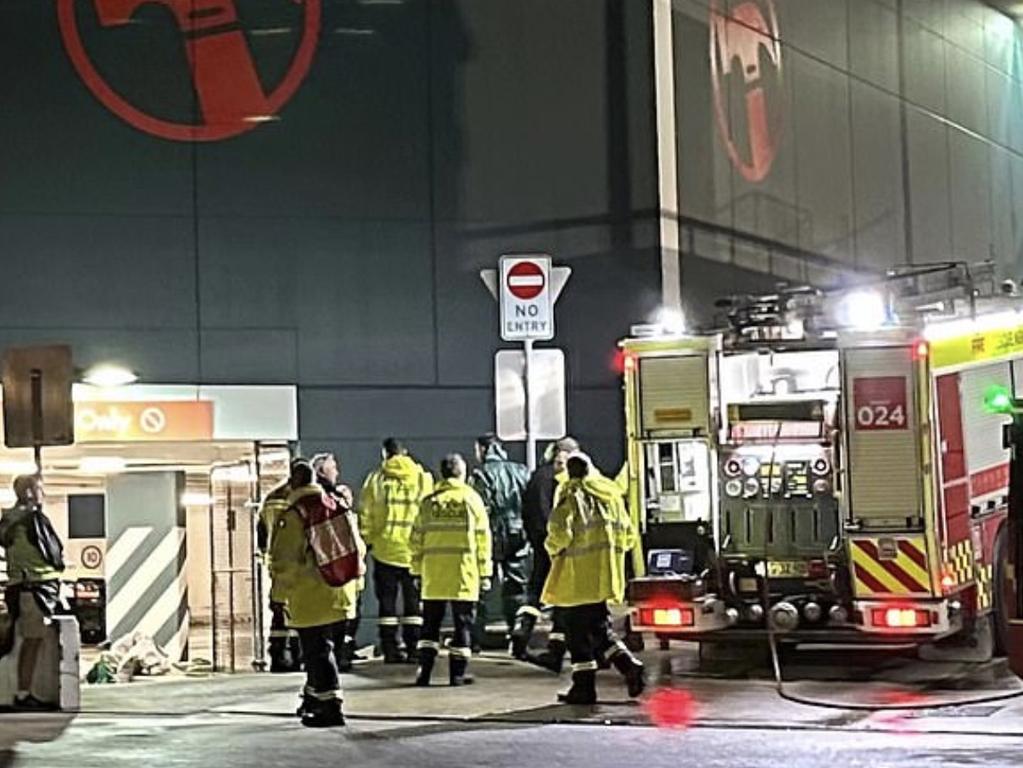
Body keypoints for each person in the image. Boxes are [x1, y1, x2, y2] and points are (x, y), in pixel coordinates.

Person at [543, 454, 645, 705]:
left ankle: (584, 688)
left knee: (576, 635)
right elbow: (628, 535)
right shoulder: (609, 495)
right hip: (604, 576)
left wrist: (551, 549)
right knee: (598, 629)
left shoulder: (570, 495)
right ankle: (628, 665)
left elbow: (559, 535)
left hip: (575, 578)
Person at [270, 459, 362, 728]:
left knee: (317, 652)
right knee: (323, 648)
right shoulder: (336, 505)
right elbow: (358, 549)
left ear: (293, 484)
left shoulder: (295, 514)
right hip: (342, 592)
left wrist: (278, 596)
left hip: (312, 597)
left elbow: (284, 561)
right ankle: (312, 699)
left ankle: (330, 707)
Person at [409, 454, 492, 687]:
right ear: (461, 473)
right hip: (463, 572)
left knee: (430, 625)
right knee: (462, 624)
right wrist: (485, 572)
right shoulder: (471, 500)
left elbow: (416, 538)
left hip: (433, 573)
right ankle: (457, 675)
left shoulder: (428, 502)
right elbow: (483, 539)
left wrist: (416, 570)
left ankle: (423, 673)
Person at [359, 438, 434, 663]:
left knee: (387, 603)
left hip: (385, 551)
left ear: (385, 454)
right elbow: (429, 513)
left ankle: (390, 648)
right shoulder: (423, 478)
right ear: (405, 452)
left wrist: (367, 541)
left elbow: (366, 515)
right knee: (413, 603)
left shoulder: (375, 480)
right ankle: (414, 648)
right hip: (413, 552)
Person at [512, 436, 579, 669]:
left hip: (540, 543)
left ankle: (522, 632)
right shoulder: (569, 482)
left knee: (535, 590)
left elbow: (526, 511)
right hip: (561, 547)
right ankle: (556, 648)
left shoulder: (536, 477)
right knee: (563, 598)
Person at [0, 475, 65, 711]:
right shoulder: (33, 519)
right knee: (32, 642)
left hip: (18, 586)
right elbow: (52, 552)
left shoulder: (8, 520)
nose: (42, 493)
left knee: (19, 642)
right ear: (28, 492)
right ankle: (23, 693)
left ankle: (20, 692)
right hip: (36, 587)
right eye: (38, 488)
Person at [469, 434, 529, 651]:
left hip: (492, 533)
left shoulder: (481, 475)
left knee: (482, 585)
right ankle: (518, 636)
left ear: (483, 449)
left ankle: (474, 638)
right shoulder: (521, 471)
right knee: (516, 587)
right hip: (519, 532)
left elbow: (478, 508)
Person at [312, 452, 365, 673]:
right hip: (339, 576)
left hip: (341, 576)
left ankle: (339, 657)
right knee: (338, 625)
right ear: (323, 472)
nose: (337, 472)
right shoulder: (331, 503)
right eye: (333, 468)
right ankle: (338, 660)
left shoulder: (320, 500)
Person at [257, 459, 304, 673]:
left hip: (276, 563)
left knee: (278, 610)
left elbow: (261, 530)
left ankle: (278, 656)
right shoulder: (298, 498)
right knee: (298, 611)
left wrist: (265, 554)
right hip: (298, 563)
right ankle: (295, 655)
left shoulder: (271, 498)